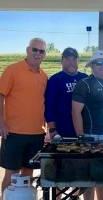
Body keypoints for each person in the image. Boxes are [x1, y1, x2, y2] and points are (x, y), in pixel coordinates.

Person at [0, 38, 47, 194]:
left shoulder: (44, 76)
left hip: (36, 134)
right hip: (13, 133)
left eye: (41, 51)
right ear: (28, 50)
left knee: (28, 175)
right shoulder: (12, 70)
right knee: (11, 175)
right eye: (35, 49)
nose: (38, 53)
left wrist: (46, 129)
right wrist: (1, 123)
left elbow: (43, 103)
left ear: (44, 55)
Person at [72, 50, 103, 200]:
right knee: (89, 178)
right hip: (90, 136)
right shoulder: (84, 84)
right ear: (92, 66)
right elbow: (75, 112)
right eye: (99, 63)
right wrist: (81, 137)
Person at [45, 47, 87, 140]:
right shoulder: (55, 80)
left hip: (84, 130)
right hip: (62, 131)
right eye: (67, 59)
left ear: (78, 61)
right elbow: (49, 106)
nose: (71, 62)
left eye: (74, 59)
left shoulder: (85, 78)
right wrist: (52, 129)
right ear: (62, 61)